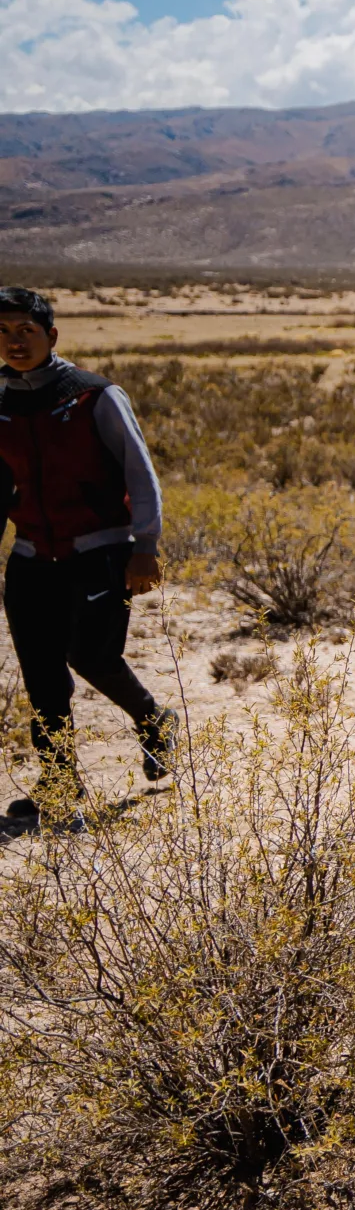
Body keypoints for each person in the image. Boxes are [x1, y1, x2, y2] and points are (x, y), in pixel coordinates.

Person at [0, 287, 173, 820]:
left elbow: (140, 473)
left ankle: (151, 718)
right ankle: (58, 785)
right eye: (3, 333)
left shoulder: (95, 396)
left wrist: (145, 546)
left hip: (98, 552)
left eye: (25, 331)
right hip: (30, 558)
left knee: (92, 656)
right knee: (42, 675)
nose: (14, 342)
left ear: (51, 336)